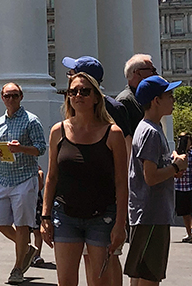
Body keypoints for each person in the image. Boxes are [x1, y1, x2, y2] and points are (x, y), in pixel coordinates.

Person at [41, 60, 128, 286]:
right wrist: (45, 216)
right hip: (65, 215)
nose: (78, 95)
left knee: (99, 282)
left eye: (84, 91)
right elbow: (52, 177)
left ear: (96, 96)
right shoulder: (58, 131)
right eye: (73, 92)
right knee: (66, 282)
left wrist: (120, 224)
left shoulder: (113, 133)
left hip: (102, 216)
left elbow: (121, 182)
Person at [124, 75, 188, 286]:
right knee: (150, 276)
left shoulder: (151, 128)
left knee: (140, 274)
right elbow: (150, 177)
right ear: (156, 100)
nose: (173, 100)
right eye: (169, 95)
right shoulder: (151, 132)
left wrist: (170, 168)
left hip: (148, 213)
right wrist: (176, 166)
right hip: (151, 214)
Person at [0, 82, 47, 285]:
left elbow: (41, 148)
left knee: (22, 224)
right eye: (6, 96)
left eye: (14, 95)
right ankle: (27, 248)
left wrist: (22, 148)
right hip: (4, 177)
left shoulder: (31, 121)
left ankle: (18, 268)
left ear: (21, 97)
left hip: (24, 178)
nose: (10, 99)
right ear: (2, 98)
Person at [117, 54, 158, 134]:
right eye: (152, 70)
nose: (155, 74)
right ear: (138, 73)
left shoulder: (144, 98)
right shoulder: (125, 101)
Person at [31, 166, 45, 267]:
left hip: (36, 202)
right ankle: (26, 253)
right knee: (24, 230)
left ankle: (36, 255)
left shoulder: (38, 172)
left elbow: (40, 187)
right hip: (24, 202)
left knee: (37, 230)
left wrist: (39, 174)